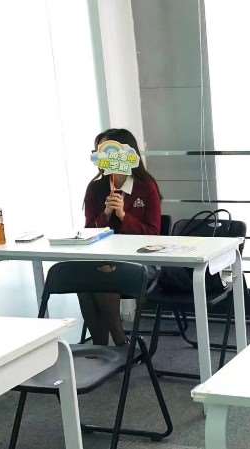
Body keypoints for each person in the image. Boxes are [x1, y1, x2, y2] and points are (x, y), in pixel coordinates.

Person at [80, 128, 162, 346]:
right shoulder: (96, 188)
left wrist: (124, 216)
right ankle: (101, 348)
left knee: (103, 273)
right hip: (105, 258)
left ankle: (119, 343)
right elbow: (89, 232)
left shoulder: (146, 186)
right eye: (99, 151)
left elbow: (153, 234)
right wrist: (106, 214)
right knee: (85, 278)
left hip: (142, 259)